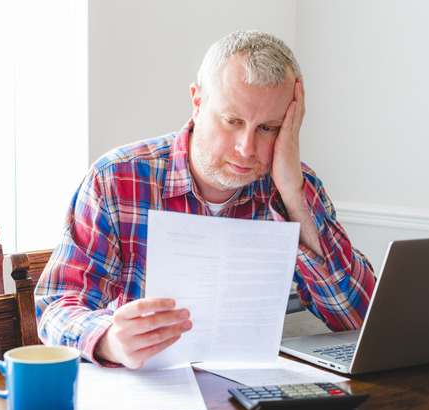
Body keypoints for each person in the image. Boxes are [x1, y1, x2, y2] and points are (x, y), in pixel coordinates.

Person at [35, 30, 376, 369]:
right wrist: (109, 340)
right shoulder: (116, 178)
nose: (247, 148)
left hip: (253, 399)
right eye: (233, 121)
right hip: (143, 396)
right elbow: (57, 309)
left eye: (268, 128)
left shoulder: (293, 187)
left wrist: (292, 194)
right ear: (197, 102)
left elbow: (358, 318)